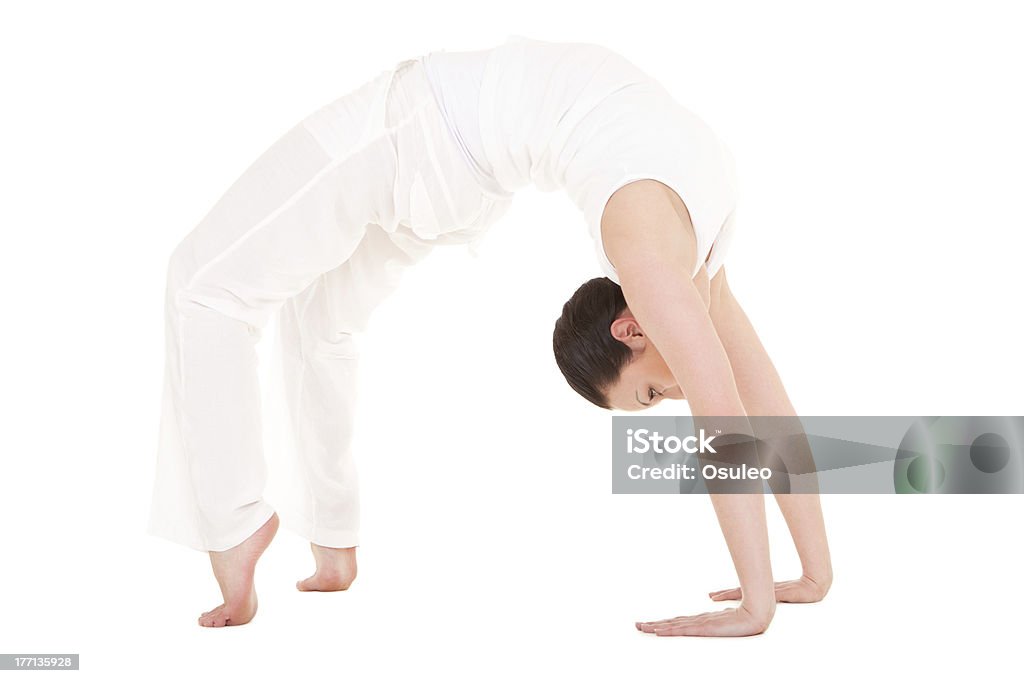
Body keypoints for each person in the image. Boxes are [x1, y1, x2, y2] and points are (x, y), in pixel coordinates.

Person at [148, 34, 833, 634]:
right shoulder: (671, 267)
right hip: (438, 152)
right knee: (286, 310)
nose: (677, 391)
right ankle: (329, 534)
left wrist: (785, 586)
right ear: (629, 326)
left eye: (652, 393)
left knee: (211, 287)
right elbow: (740, 414)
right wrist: (782, 586)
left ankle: (236, 524)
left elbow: (747, 413)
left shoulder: (668, 262)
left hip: (435, 148)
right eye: (652, 393)